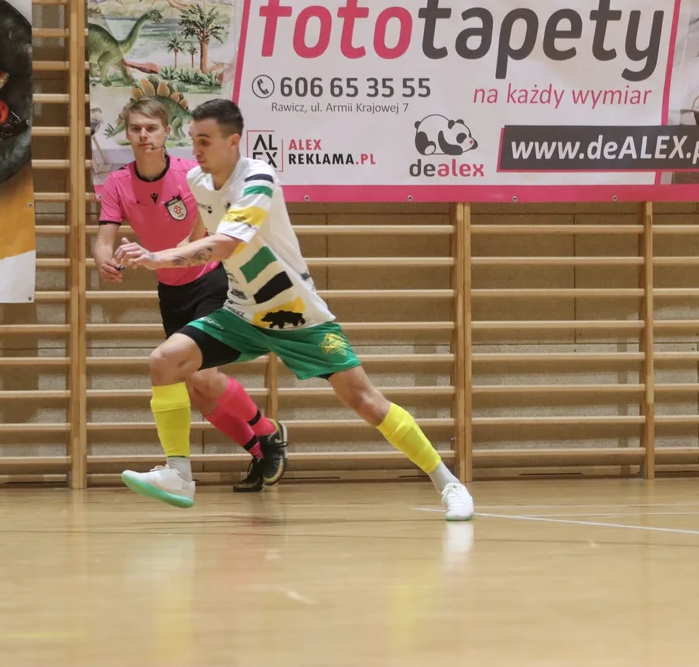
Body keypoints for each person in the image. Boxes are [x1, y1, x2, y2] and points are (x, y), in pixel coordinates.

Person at [115, 98, 475, 520]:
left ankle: (448, 483)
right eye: (193, 140)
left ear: (234, 142)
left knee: (366, 401)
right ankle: (178, 472)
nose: (196, 149)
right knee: (165, 361)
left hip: (297, 314)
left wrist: (156, 257)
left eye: (206, 141)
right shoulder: (197, 180)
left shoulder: (259, 179)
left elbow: (228, 243)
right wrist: (172, 253)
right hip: (242, 313)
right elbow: (205, 230)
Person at [93, 96, 288, 499]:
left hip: (210, 283)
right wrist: (103, 261)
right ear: (126, 133)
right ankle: (262, 445)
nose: (143, 135)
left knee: (202, 376)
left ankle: (265, 435)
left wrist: (169, 252)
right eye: (135, 129)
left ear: (167, 132)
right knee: (197, 390)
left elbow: (201, 229)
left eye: (151, 128)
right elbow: (104, 238)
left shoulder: (189, 174)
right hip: (170, 290)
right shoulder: (117, 183)